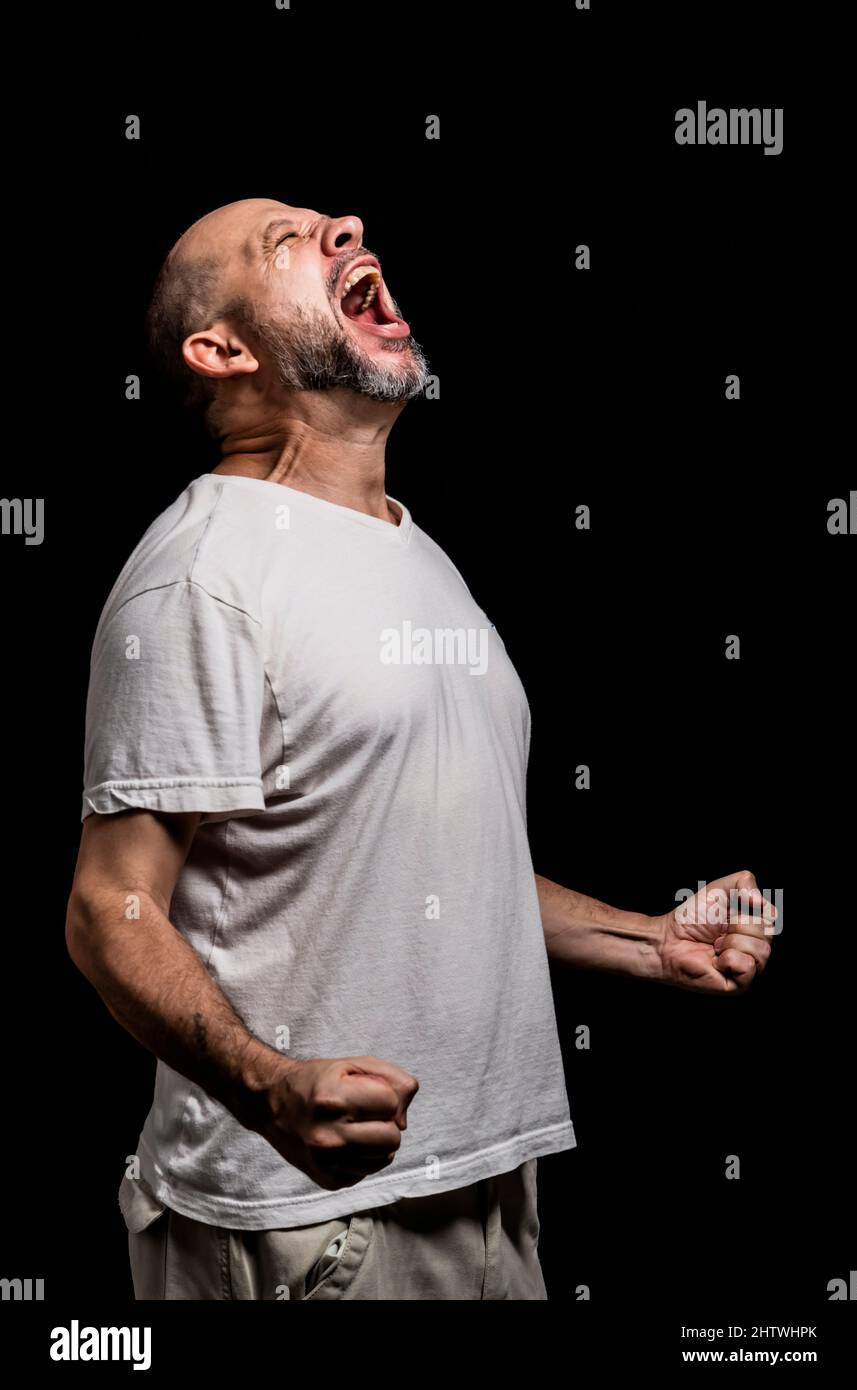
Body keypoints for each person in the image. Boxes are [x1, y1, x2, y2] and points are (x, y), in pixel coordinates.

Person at [66, 199, 775, 1301]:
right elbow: (108, 910)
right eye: (289, 239)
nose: (344, 222)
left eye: (332, 218)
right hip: (306, 1231)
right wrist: (268, 1088)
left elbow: (436, 868)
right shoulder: (200, 575)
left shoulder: (415, 550)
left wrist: (653, 941)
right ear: (223, 349)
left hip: (493, 1193)